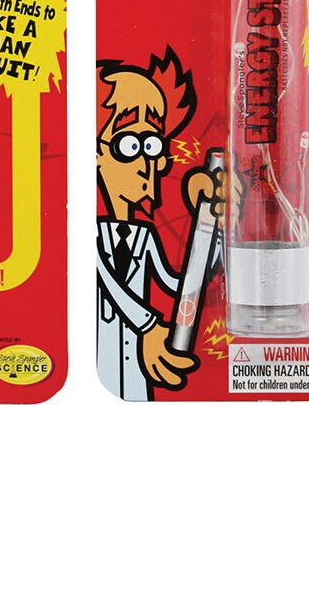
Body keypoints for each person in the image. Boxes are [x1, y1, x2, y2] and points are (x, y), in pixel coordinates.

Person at [96, 47, 224, 401]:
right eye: (128, 144)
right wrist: (148, 327)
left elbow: (177, 284)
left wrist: (211, 228)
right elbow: (105, 278)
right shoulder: (87, 235)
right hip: (102, 360)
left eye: (151, 145)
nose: (145, 163)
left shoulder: (144, 235)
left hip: (136, 375)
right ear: (97, 152)